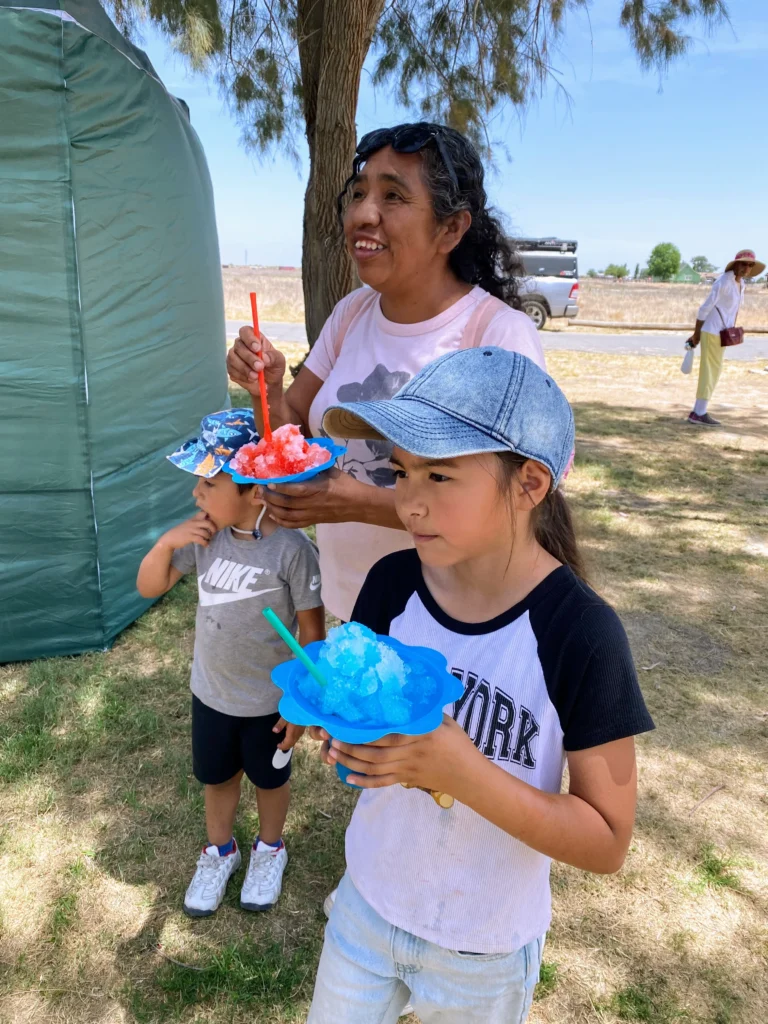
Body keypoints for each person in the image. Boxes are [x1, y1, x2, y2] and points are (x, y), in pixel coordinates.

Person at [304, 347, 655, 1024]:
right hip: (368, 904)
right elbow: (364, 724)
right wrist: (344, 733)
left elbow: (607, 840)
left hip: (483, 951)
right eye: (403, 471)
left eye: (439, 474)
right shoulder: (391, 586)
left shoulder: (581, 635)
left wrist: (461, 772)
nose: (409, 500)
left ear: (529, 483)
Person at [226, 122, 545, 624]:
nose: (362, 214)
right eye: (358, 194)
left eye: (393, 196)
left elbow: (508, 506)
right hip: (349, 600)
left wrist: (353, 503)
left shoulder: (495, 336)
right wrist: (267, 388)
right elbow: (291, 436)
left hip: (448, 619)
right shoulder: (351, 314)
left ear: (451, 229)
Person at [137, 410, 325, 917]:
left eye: (210, 481)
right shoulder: (202, 536)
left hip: (271, 701)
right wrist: (166, 542)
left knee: (270, 780)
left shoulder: (293, 549)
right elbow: (149, 587)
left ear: (254, 491)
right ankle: (219, 851)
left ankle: (269, 849)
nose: (197, 492)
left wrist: (302, 700)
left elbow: (312, 629)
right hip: (213, 694)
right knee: (217, 779)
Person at [686, 248, 765, 425]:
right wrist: (696, 334)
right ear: (736, 264)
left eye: (750, 265)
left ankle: (699, 411)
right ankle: (699, 412)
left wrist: (731, 330)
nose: (747, 268)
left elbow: (733, 310)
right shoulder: (723, 282)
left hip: (721, 333)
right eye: (744, 264)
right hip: (711, 330)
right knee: (710, 371)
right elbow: (704, 309)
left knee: (715, 371)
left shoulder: (741, 284)